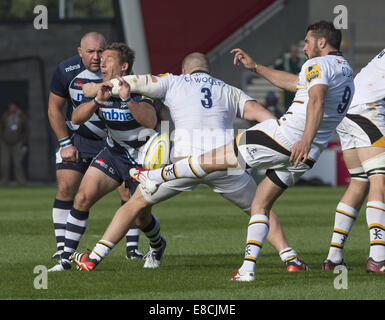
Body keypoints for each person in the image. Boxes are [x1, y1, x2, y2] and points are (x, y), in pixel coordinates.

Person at [126, 21, 354, 281]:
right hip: (307, 155)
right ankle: (247, 269)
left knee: (212, 159)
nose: (304, 47)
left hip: (287, 138)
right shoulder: (345, 69)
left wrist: (304, 138)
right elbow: (295, 84)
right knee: (260, 204)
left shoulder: (318, 64)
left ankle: (155, 176)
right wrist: (255, 67)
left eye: (307, 41)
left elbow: (317, 99)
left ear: (321, 42)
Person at [71, 52, 310, 273]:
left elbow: (130, 82)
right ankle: (290, 258)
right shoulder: (229, 90)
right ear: (208, 70)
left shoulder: (174, 81)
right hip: (226, 162)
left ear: (185, 70)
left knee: (133, 204)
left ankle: (94, 257)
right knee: (260, 207)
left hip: (185, 162)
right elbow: (263, 116)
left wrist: (94, 88)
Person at [48, 42, 166, 272]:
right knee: (82, 197)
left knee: (141, 219)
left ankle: (157, 244)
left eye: (108, 59)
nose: (101, 62)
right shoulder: (101, 87)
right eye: (101, 58)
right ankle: (65, 259)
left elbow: (150, 121)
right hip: (115, 152)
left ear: (124, 66)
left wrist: (127, 100)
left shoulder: (141, 87)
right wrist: (95, 102)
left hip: (144, 159)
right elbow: (76, 119)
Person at [322, 48, 385, 273]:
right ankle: (378, 258)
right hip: (367, 111)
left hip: (346, 110)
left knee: (359, 181)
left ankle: (334, 257)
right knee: (380, 179)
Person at [0, 100, 28, 185]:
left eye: (13, 106)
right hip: (5, 143)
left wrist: (23, 141)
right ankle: (4, 181)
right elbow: (1, 128)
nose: (11, 108)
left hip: (17, 143)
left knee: (17, 164)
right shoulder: (5, 116)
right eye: (10, 106)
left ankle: (21, 182)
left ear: (16, 107)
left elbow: (26, 130)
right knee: (4, 163)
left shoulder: (21, 116)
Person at [275, 45, 305, 111]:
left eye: (295, 51)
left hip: (298, 88)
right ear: (290, 52)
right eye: (292, 51)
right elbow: (276, 69)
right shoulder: (286, 62)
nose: (293, 53)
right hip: (287, 88)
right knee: (287, 106)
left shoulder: (303, 61)